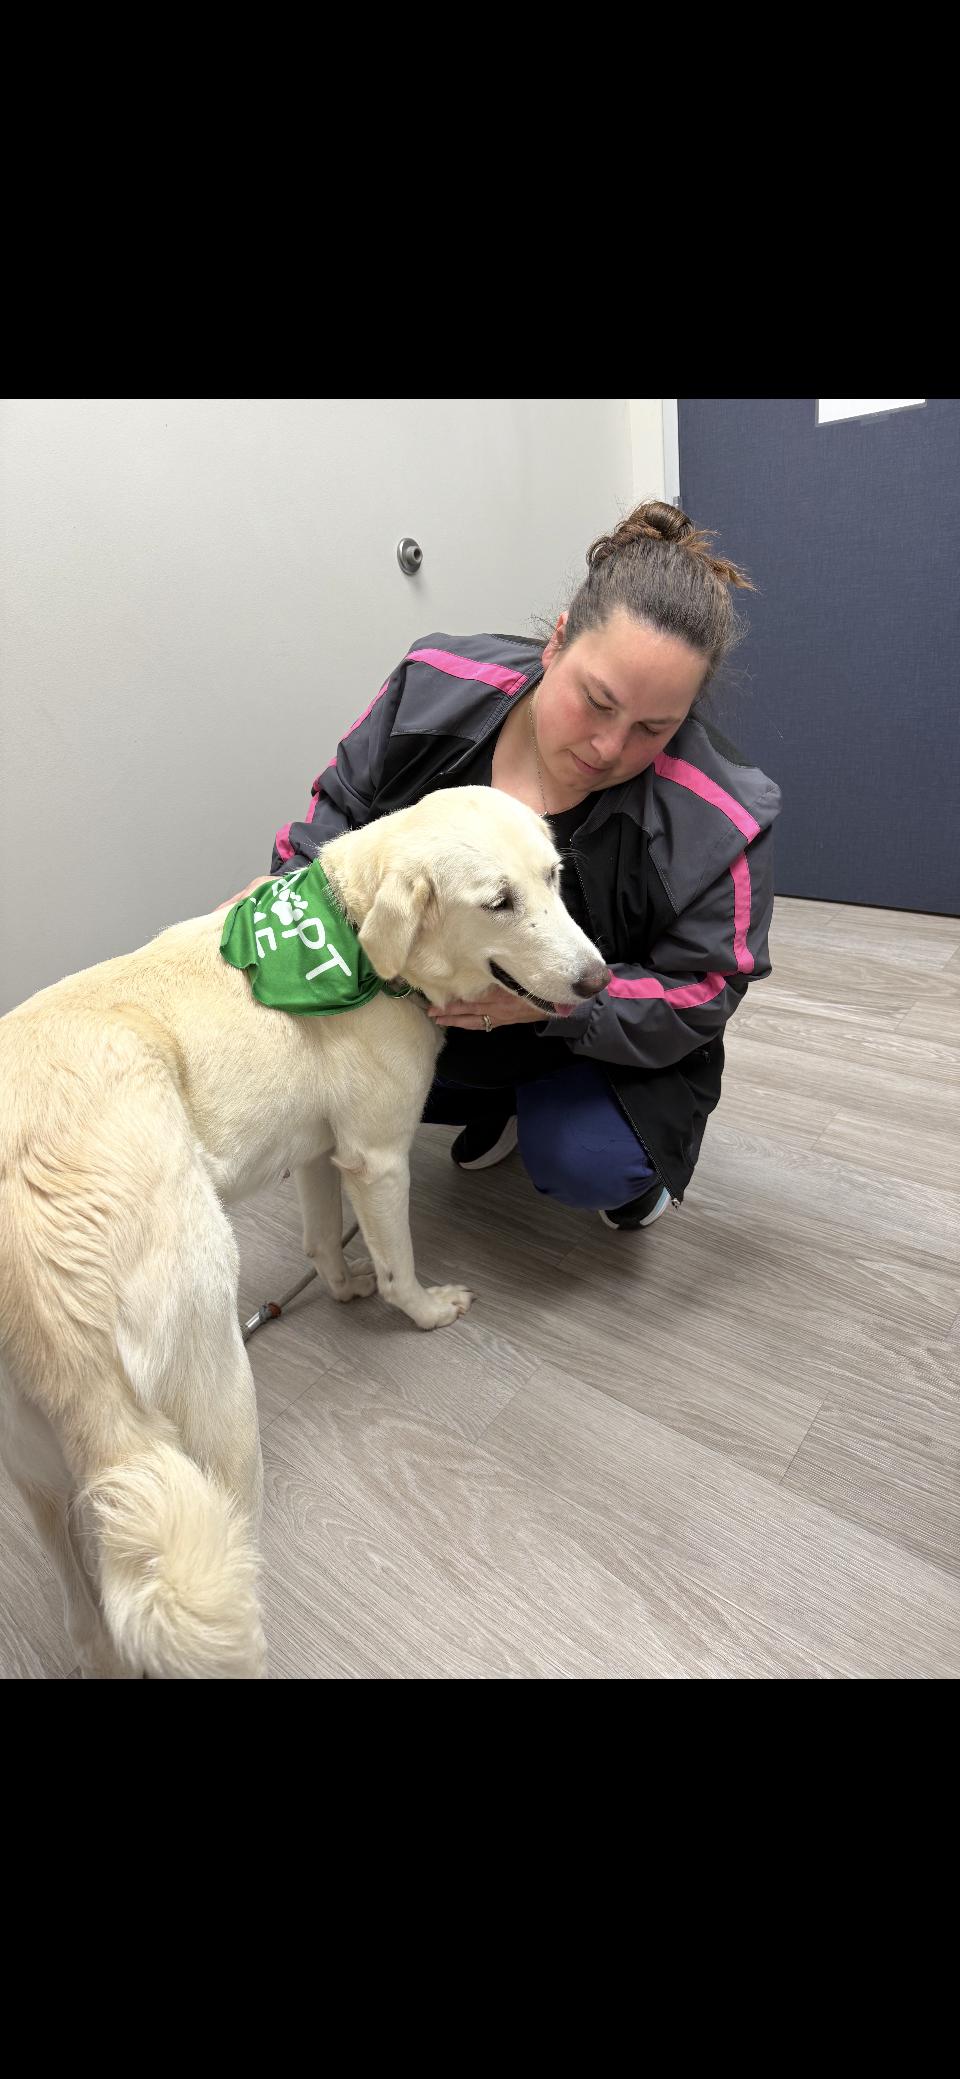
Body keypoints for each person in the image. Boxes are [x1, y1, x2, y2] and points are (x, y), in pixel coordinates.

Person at [237, 502, 781, 1229]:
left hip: (597, 1034)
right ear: (557, 640)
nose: (609, 749)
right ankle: (493, 1101)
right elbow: (337, 813)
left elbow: (706, 990)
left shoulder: (723, 819)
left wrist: (563, 1006)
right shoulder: (432, 684)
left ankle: (602, 1150)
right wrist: (285, 902)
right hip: (440, 998)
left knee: (589, 1159)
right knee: (326, 1069)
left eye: (655, 728)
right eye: (597, 702)